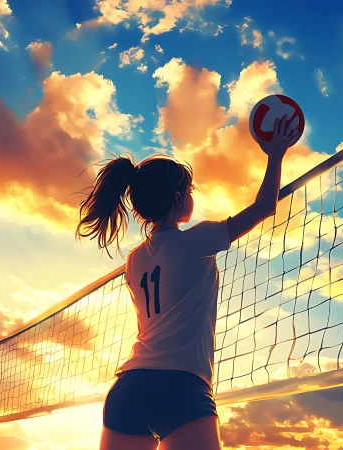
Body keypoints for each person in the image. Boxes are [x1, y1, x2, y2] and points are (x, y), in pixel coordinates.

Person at [76, 115, 300, 450]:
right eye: (190, 190)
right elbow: (265, 207)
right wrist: (276, 154)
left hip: (129, 390)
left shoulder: (134, 260)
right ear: (179, 197)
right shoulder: (197, 240)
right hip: (179, 387)